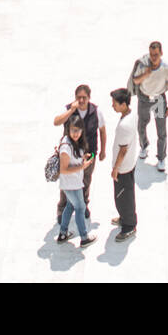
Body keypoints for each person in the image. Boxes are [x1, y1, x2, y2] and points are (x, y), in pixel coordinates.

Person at [54, 85, 105, 222]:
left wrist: (102, 151)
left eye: (84, 97)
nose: (81, 100)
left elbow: (102, 131)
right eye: (79, 97)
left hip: (89, 153)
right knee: (67, 180)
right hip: (70, 153)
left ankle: (83, 205)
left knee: (86, 180)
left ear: (89, 98)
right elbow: (56, 122)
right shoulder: (68, 109)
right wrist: (72, 110)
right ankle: (62, 208)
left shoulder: (96, 111)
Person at [130, 40, 168, 172]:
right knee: (141, 125)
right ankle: (144, 146)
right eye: (151, 54)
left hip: (159, 99)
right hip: (144, 98)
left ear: (161, 53)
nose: (153, 57)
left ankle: (161, 158)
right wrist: (146, 74)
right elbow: (135, 80)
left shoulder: (166, 68)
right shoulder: (143, 65)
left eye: (156, 54)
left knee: (161, 130)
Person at [56, 115, 96, 247]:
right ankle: (84, 237)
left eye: (78, 131)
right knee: (80, 207)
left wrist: (82, 158)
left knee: (70, 206)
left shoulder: (72, 143)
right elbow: (63, 169)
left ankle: (63, 233)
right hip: (71, 185)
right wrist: (82, 167)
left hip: (72, 183)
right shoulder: (66, 147)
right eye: (73, 130)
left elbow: (72, 160)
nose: (76, 134)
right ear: (68, 129)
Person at [108, 87, 138, 241]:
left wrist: (115, 169)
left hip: (124, 168)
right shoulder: (131, 115)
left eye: (115, 103)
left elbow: (123, 150)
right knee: (125, 196)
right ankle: (125, 217)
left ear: (124, 104)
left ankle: (129, 225)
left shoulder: (124, 126)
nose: (112, 105)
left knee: (122, 198)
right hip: (129, 164)